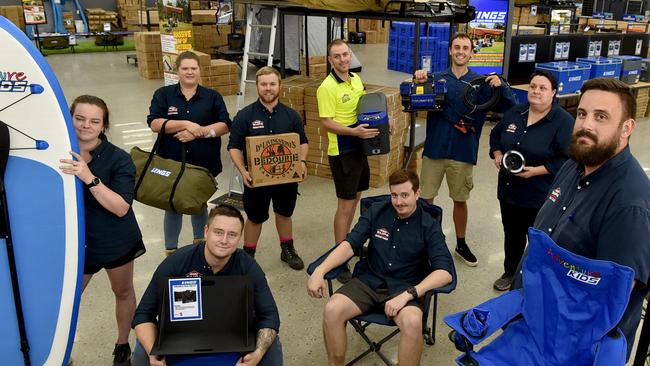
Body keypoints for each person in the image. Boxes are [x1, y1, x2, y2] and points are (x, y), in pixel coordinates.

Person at [525, 78, 650, 360]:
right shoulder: (574, 165)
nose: (586, 125)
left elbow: (609, 303)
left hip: (575, 349)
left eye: (601, 117)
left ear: (627, 128)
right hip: (538, 325)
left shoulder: (629, 203)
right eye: (582, 114)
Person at [307, 170, 454, 366]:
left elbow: (445, 272)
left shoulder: (428, 225)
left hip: (405, 286)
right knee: (332, 309)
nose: (399, 202)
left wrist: (410, 294)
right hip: (369, 280)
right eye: (394, 195)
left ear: (417, 194)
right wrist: (320, 270)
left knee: (412, 322)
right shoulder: (377, 210)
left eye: (405, 195)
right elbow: (350, 244)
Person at [132, 204, 282, 366]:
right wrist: (152, 353)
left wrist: (257, 355)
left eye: (232, 235)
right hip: (183, 335)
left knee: (272, 345)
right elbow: (143, 314)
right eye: (218, 232)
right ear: (206, 232)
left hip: (233, 334)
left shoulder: (248, 267)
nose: (224, 241)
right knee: (141, 350)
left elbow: (269, 315)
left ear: (239, 238)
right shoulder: (177, 263)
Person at [413, 32, 517, 267]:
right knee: (426, 200)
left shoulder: (482, 84)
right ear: (450, 51)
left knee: (460, 200)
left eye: (465, 48)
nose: (460, 52)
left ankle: (460, 243)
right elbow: (411, 99)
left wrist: (503, 86)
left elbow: (511, 107)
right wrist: (418, 77)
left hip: (463, 151)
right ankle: (422, 243)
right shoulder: (436, 79)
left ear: (472, 53)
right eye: (456, 47)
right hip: (434, 150)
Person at [59, 95, 145, 365]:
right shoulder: (56, 151)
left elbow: (121, 208)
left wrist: (88, 177)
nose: (86, 126)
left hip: (114, 239)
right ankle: (58, 348)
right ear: (70, 117)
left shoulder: (119, 159)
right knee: (66, 301)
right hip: (76, 242)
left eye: (94, 121)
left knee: (122, 292)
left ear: (104, 125)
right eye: (80, 118)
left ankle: (122, 345)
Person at [488, 70, 574, 291]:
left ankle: (536, 279)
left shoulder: (563, 122)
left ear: (553, 92)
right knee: (512, 234)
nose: (536, 91)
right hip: (509, 190)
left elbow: (567, 158)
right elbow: (496, 136)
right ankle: (510, 272)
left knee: (540, 240)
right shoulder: (515, 112)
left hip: (540, 195)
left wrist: (536, 171)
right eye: (533, 86)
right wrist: (497, 154)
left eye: (543, 88)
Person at [146, 51, 231, 256]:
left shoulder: (212, 97)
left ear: (200, 71)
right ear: (177, 70)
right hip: (171, 163)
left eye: (194, 68)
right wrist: (185, 124)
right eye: (185, 68)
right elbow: (154, 123)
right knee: (172, 205)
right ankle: (171, 251)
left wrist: (197, 133)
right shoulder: (163, 95)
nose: (190, 72)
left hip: (203, 163)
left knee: (199, 203)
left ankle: (199, 245)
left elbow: (225, 125)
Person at [228, 66, 309, 270]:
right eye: (263, 84)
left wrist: (302, 162)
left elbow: (303, 142)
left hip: (286, 178)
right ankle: (248, 255)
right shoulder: (244, 116)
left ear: (279, 86)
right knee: (255, 217)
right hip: (256, 179)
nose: (268, 88)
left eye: (272, 84)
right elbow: (234, 147)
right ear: (257, 86)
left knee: (284, 213)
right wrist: (243, 171)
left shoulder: (291, 116)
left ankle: (287, 249)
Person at [317, 39, 380, 282]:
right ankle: (339, 257)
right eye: (337, 56)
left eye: (345, 54)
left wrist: (383, 124)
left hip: (359, 148)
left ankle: (348, 245)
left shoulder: (355, 79)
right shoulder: (327, 87)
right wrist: (355, 132)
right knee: (344, 206)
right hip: (342, 150)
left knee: (355, 198)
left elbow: (363, 110)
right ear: (330, 60)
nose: (343, 60)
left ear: (350, 54)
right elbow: (326, 122)